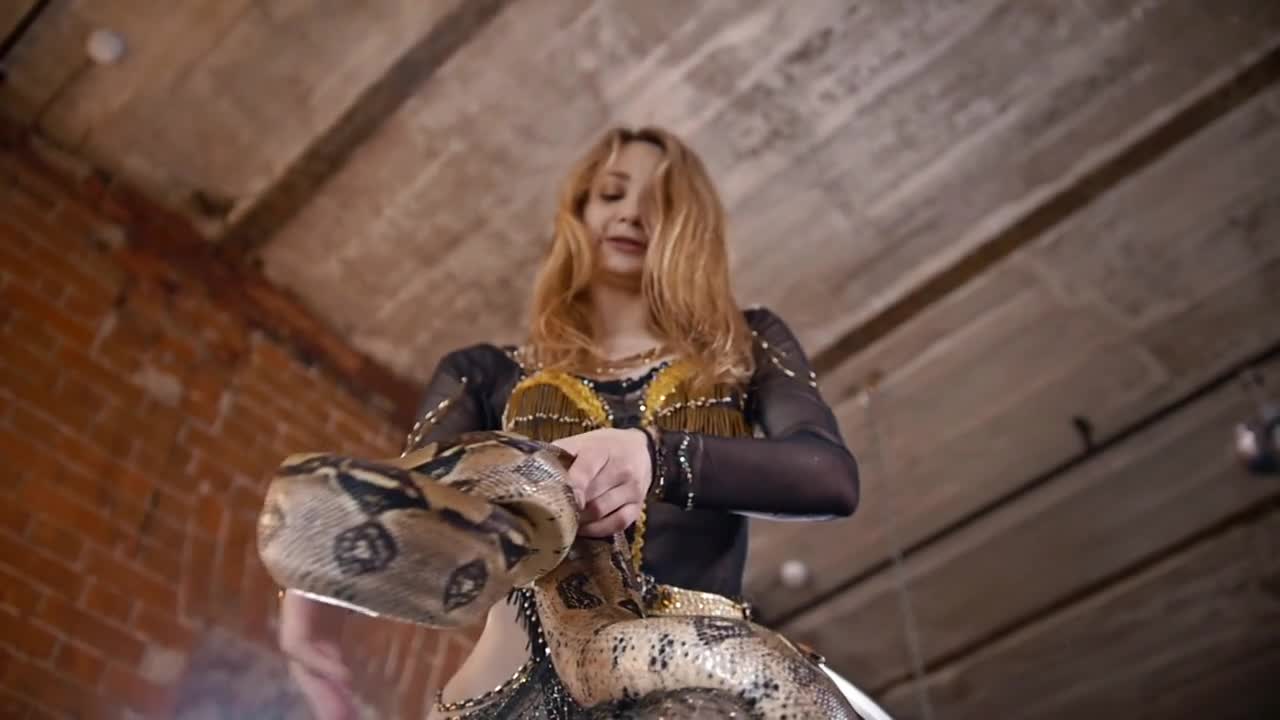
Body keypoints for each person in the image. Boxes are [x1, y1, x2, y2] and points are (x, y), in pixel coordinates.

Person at [277, 126, 861, 719]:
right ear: (577, 213)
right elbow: (413, 511)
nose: (632, 214)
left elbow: (829, 477)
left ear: (690, 225)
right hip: (505, 695)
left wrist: (654, 454)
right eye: (612, 194)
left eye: (659, 202)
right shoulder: (483, 372)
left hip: (700, 687)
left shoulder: (746, 342)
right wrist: (308, 598)